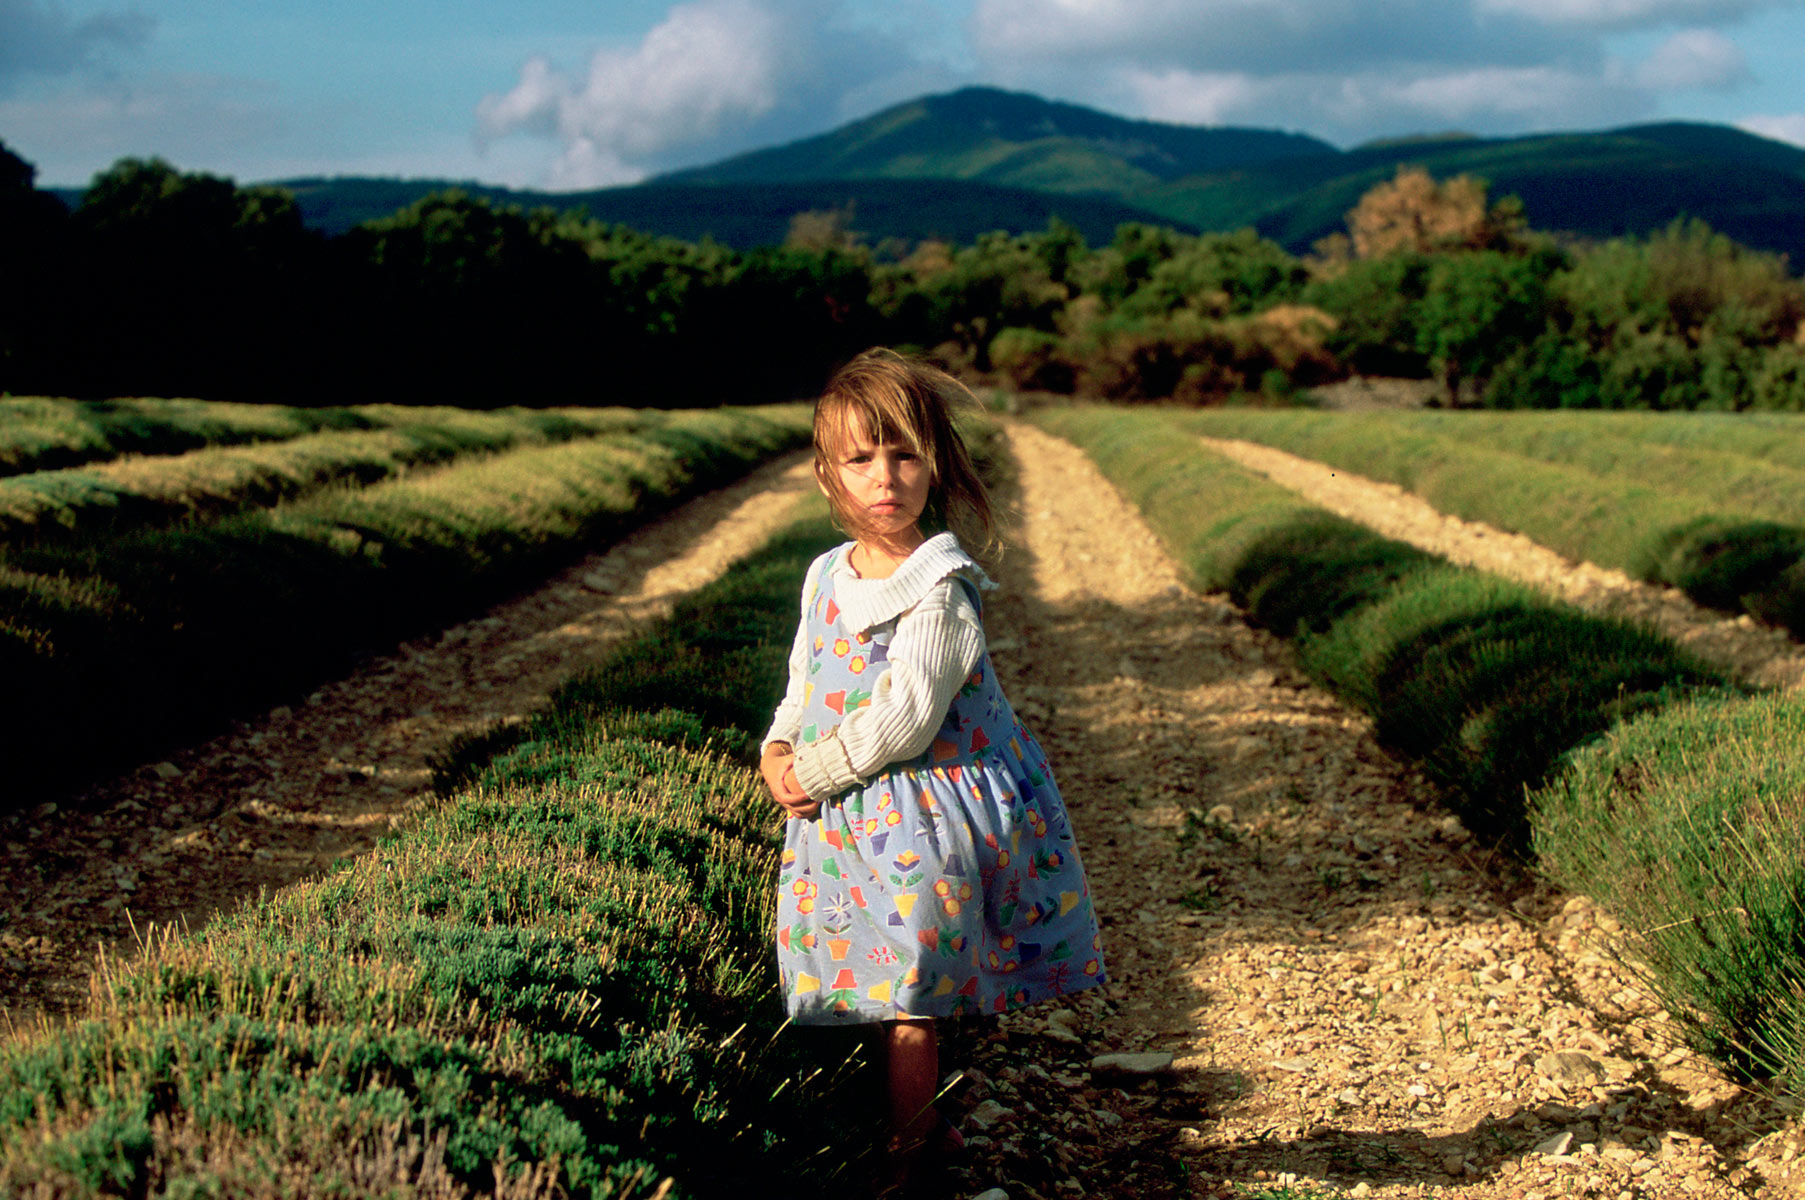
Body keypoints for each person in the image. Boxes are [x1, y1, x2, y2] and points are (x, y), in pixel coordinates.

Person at [759, 348, 1106, 1190]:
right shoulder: (825, 576)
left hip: (925, 821)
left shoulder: (939, 589)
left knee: (908, 998)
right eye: (861, 458)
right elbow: (806, 680)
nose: (886, 477)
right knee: (878, 981)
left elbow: (907, 719)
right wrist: (777, 746)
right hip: (852, 811)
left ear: (935, 465)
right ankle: (929, 1131)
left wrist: (816, 771)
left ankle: (909, 1157)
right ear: (826, 475)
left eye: (905, 454)